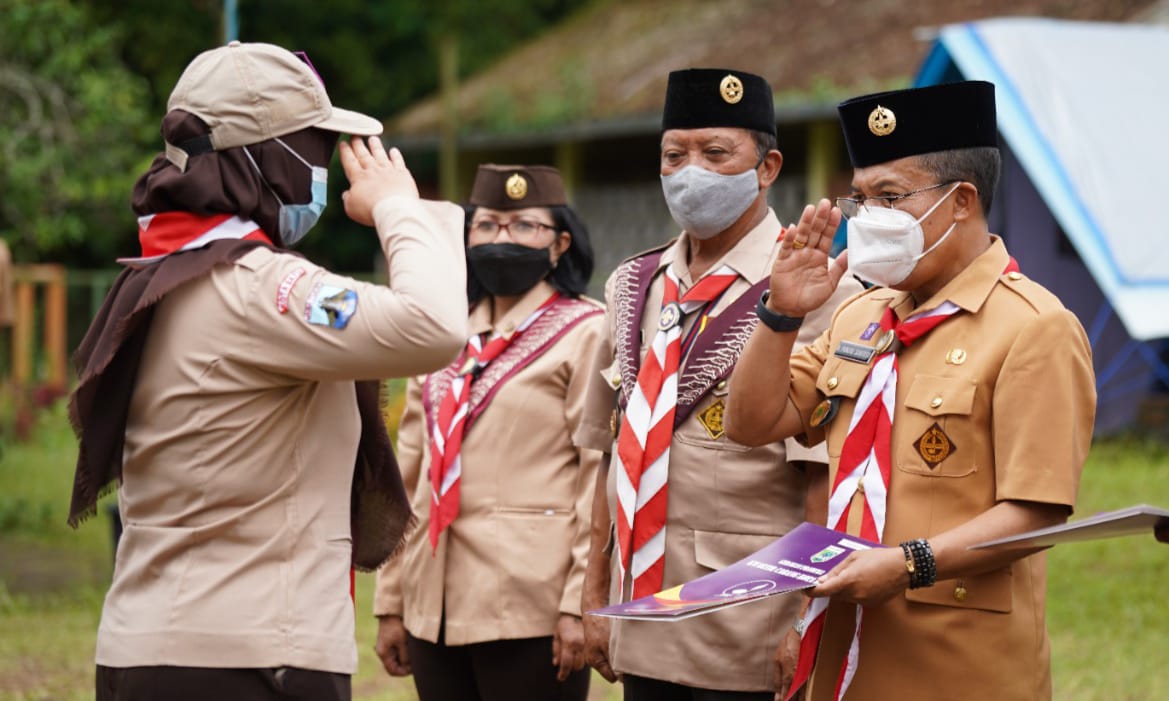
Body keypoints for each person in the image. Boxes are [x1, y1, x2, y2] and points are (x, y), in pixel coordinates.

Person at [67, 41, 469, 701]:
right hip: (245, 659)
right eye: (313, 148)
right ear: (269, 158)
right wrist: (402, 208)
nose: (326, 172)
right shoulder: (257, 288)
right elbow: (433, 326)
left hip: (149, 645)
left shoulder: (161, 275)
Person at [724, 81, 1096, 701]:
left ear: (960, 201)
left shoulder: (1035, 328)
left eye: (891, 197)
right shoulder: (861, 318)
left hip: (955, 659)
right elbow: (751, 422)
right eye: (861, 198)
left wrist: (907, 564)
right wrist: (781, 314)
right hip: (843, 644)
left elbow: (1038, 511)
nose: (868, 218)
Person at [575, 68, 861, 700]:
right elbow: (609, 452)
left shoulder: (818, 290)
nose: (690, 172)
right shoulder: (635, 285)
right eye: (674, 155)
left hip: (745, 612)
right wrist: (593, 593)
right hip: (642, 607)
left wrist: (804, 618)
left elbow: (825, 471)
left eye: (715, 153)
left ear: (767, 167)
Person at [372, 164, 605, 701]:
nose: (504, 239)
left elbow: (596, 476)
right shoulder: (444, 336)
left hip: (532, 605)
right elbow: (408, 473)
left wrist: (578, 603)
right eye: (489, 226)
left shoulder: (586, 331)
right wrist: (390, 601)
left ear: (559, 243)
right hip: (435, 601)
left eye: (525, 226)